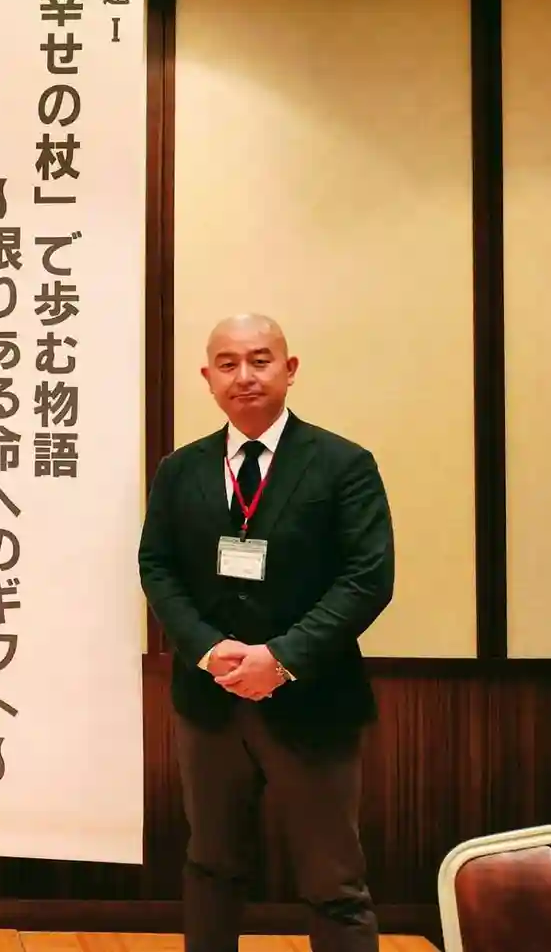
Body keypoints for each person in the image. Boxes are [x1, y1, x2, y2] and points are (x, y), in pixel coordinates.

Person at [138, 313, 395, 952]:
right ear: (208, 378)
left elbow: (368, 578)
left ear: (289, 369)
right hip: (211, 703)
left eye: (260, 360)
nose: (244, 376)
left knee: (334, 883)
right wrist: (206, 648)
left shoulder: (342, 464)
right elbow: (157, 566)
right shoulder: (180, 470)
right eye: (227, 364)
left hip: (314, 701)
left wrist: (281, 658)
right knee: (211, 867)